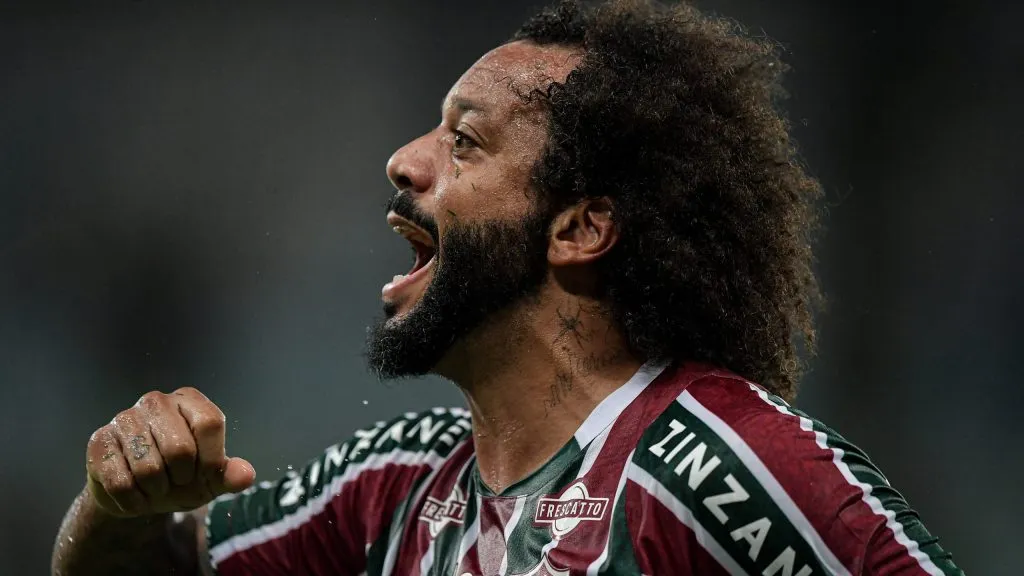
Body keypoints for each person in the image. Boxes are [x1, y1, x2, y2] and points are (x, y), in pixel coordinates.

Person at [52, 1, 965, 574]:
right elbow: (147, 562)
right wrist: (115, 504)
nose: (403, 161)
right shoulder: (393, 484)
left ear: (578, 229)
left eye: (465, 140)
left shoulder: (722, 469)